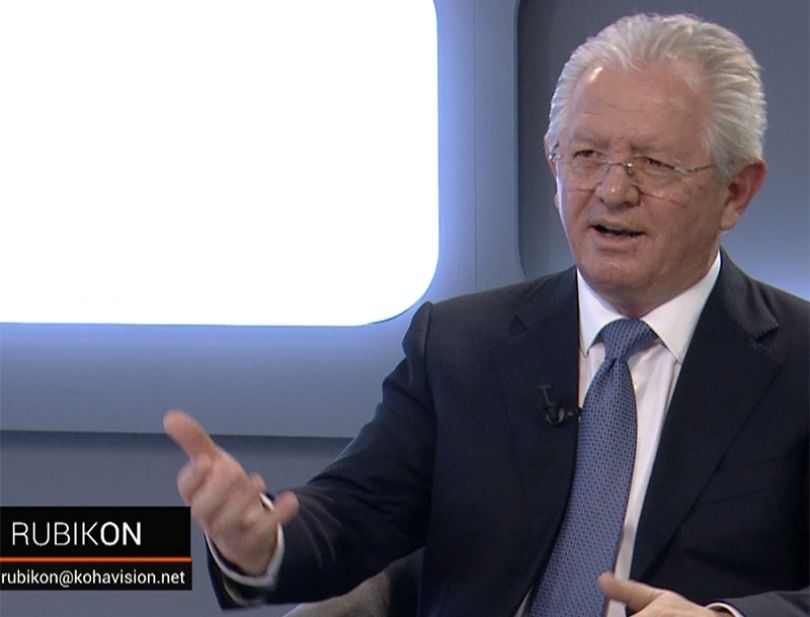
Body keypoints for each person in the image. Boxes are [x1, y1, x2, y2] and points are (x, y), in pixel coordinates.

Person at [164, 13, 809, 617]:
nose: (613, 190)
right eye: (586, 156)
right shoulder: (461, 346)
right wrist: (259, 541)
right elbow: (353, 514)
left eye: (655, 164)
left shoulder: (799, 365)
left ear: (735, 191)